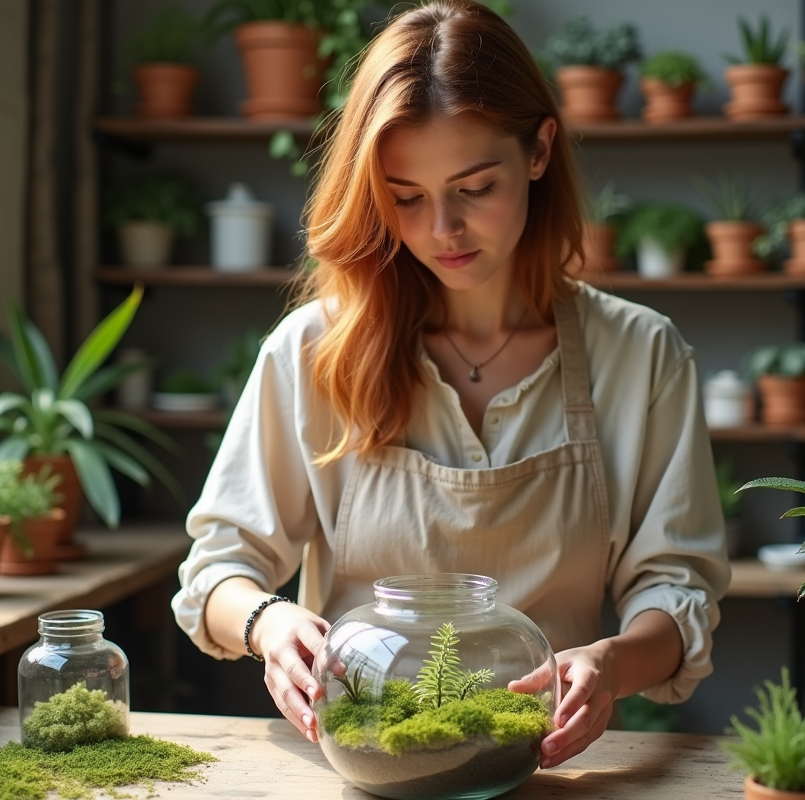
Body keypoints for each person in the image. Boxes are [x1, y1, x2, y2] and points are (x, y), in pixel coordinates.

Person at [172, 0, 730, 770]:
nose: (443, 230)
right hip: (362, 766)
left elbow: (677, 591)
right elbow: (218, 568)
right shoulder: (314, 349)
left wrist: (609, 665)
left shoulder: (640, 354)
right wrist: (269, 626)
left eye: (474, 187)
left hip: (539, 770)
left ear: (538, 151)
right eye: (407, 197)